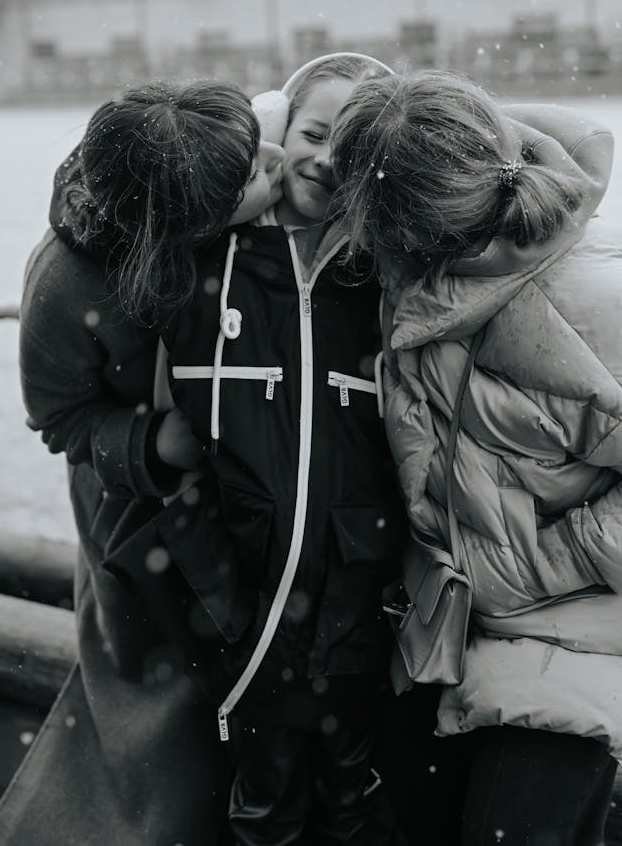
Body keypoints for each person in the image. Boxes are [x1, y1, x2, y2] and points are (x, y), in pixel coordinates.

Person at [330, 69, 622, 846]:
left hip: (576, 639)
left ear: (403, 224)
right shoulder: (427, 276)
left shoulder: (594, 309)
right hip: (450, 626)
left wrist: (538, 563)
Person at [115, 52, 408, 845]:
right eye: (313, 131)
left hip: (355, 603)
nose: (328, 159)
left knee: (355, 797)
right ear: (281, 131)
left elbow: (564, 163)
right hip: (237, 597)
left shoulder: (388, 277)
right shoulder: (207, 256)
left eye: (356, 146)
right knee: (264, 802)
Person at [0, 79, 284, 846]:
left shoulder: (201, 195)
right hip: (134, 516)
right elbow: (59, 420)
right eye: (251, 175)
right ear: (178, 229)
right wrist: (153, 444)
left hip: (241, 500)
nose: (275, 166)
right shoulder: (64, 282)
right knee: (151, 700)